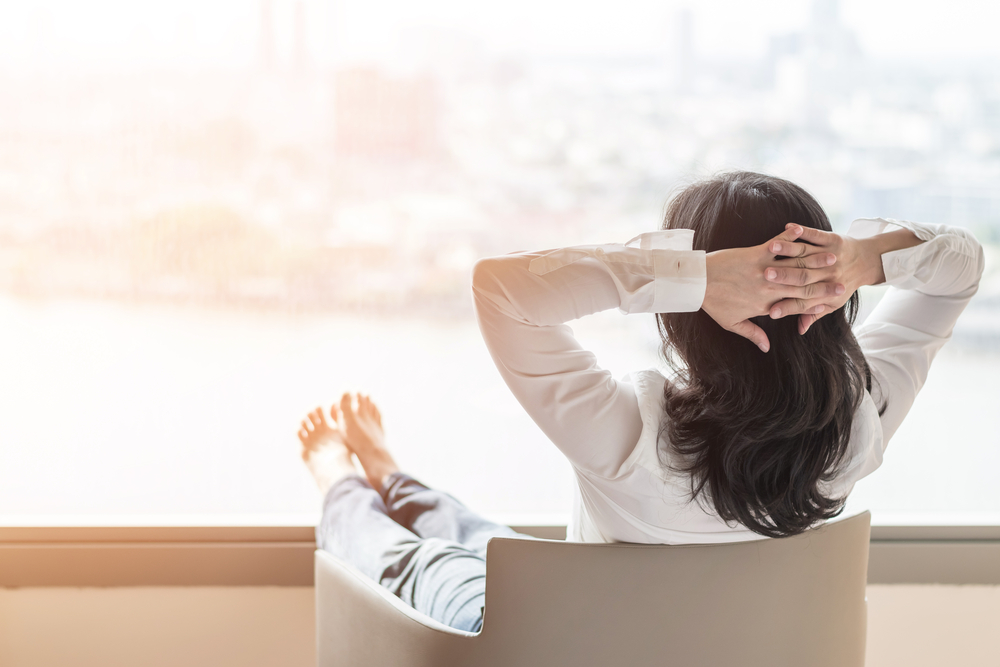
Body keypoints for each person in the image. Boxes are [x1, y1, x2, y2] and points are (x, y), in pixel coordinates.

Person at [298, 171, 985, 632]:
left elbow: (501, 289)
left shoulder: (630, 437)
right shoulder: (862, 425)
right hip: (648, 632)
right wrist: (867, 257)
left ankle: (343, 478)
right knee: (488, 540)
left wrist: (691, 276)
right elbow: (961, 269)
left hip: (552, 643)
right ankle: (394, 474)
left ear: (686, 312)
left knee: (416, 560)